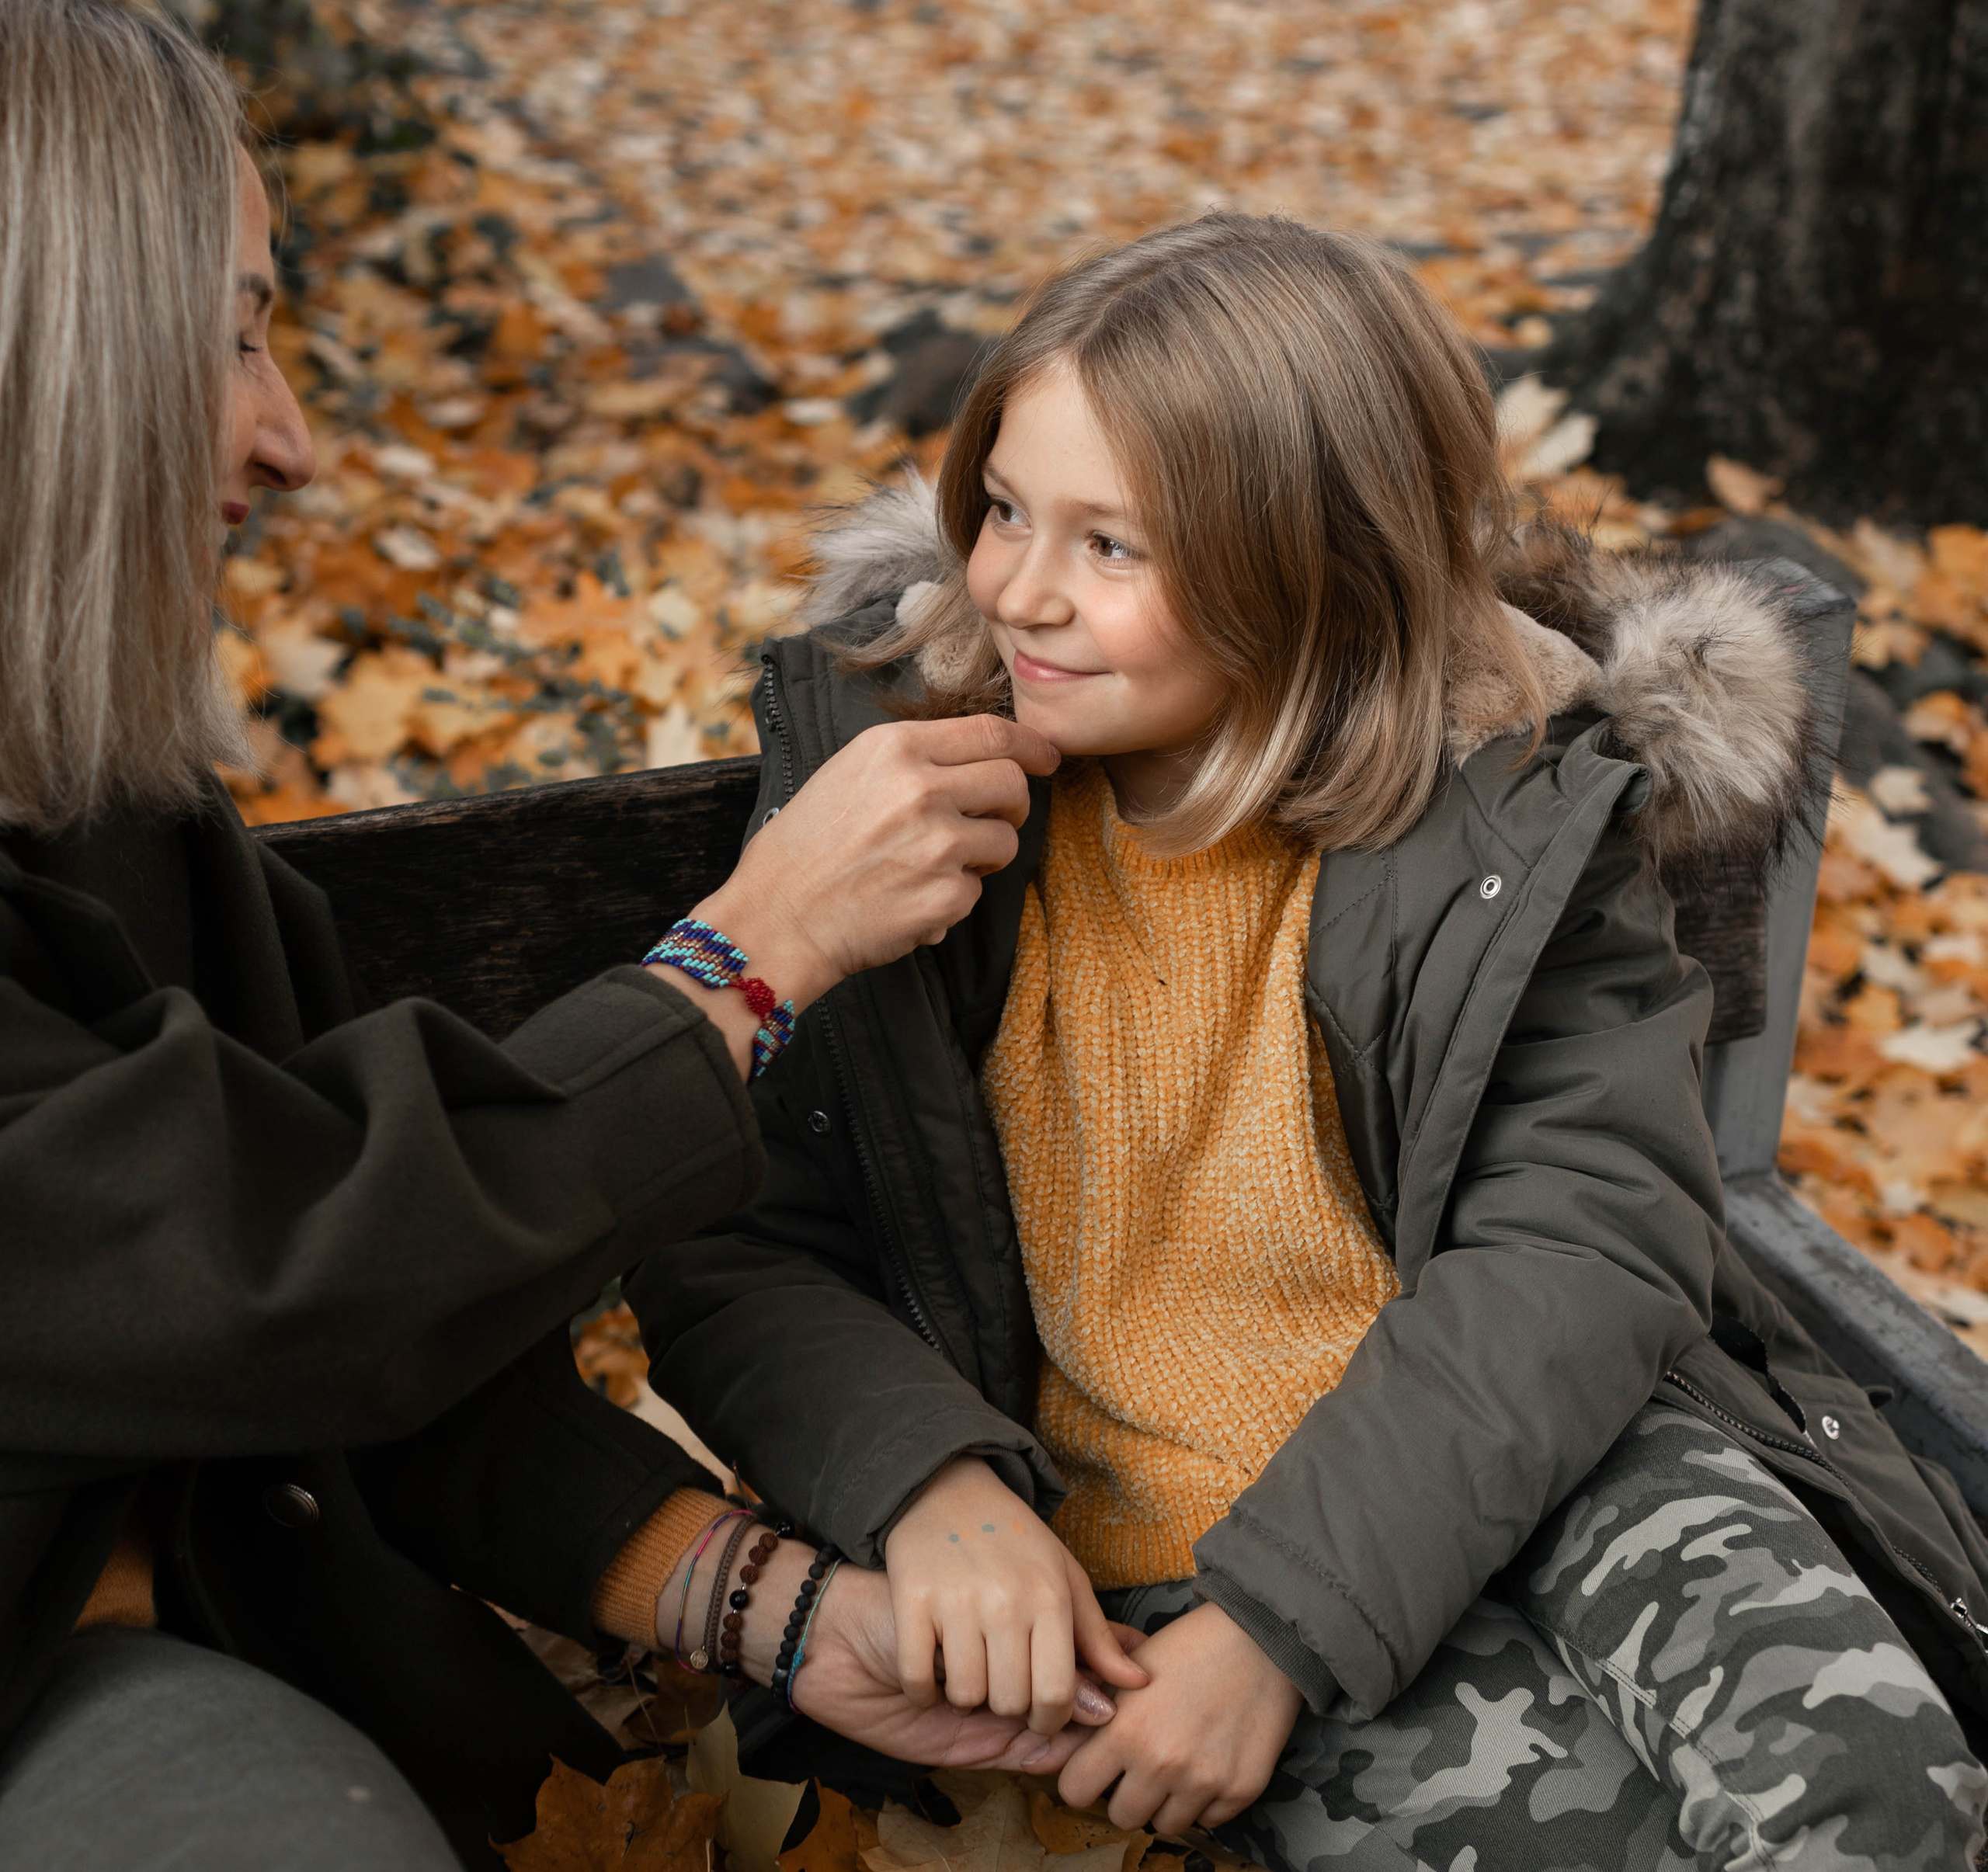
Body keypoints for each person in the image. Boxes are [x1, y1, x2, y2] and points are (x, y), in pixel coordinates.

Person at [635, 213, 1988, 1868]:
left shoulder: (1495, 805)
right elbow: (740, 1237)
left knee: (1872, 1793)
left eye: (1110, 547)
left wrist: (1293, 1614)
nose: (1018, 589)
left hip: (1540, 1449)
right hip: (1141, 1568)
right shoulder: (897, 801)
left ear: (1312, 570)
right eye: (999, 508)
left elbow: (1585, 1229)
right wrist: (932, 1495)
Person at [0, 5, 1092, 1868]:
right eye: (237, 337)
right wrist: (742, 962)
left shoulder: (115, 815)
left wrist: (775, 1611)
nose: (294, 444)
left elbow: (391, 1339)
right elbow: (273, 1267)